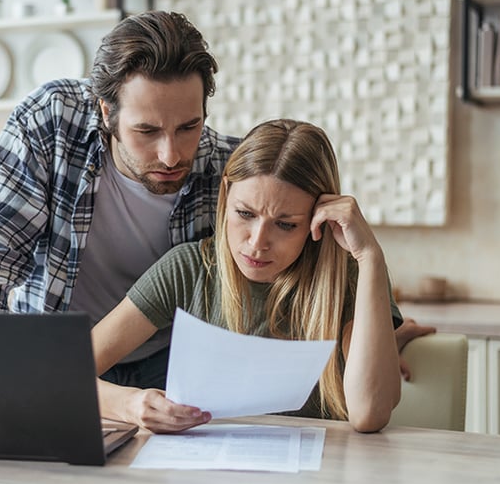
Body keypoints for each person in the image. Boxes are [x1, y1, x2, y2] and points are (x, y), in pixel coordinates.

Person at [0, 9, 430, 389]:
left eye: (188, 126)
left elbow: (304, 262)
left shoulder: (230, 172)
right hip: (61, 353)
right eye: (147, 131)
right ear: (106, 112)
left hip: (172, 365)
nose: (172, 154)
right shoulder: (51, 123)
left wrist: (371, 338)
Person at [92, 119, 401, 434]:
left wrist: (370, 256)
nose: (257, 243)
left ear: (317, 220)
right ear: (226, 193)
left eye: (285, 224)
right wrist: (130, 405)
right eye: (245, 214)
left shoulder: (348, 277)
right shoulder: (188, 269)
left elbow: (369, 414)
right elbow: (69, 373)